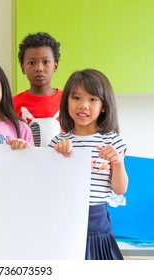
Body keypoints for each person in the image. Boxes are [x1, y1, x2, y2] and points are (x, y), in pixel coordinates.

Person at [48, 69, 128, 260]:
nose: (83, 105)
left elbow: (120, 189)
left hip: (97, 224)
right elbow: (50, 188)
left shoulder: (113, 142)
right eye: (76, 98)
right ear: (66, 101)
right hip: (65, 222)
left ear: (103, 105)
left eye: (92, 99)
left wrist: (117, 162)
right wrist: (58, 157)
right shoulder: (57, 142)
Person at [13, 32, 62, 147]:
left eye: (45, 62)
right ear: (23, 68)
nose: (39, 68)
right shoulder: (13, 103)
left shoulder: (69, 100)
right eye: (31, 63)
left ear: (55, 66)